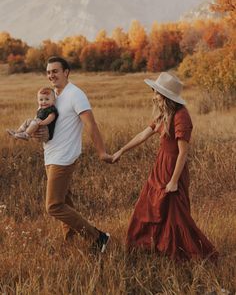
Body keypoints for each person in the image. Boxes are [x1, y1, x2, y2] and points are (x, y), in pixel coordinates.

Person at [112, 72, 218, 261]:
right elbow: (142, 135)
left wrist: (174, 181)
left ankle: (190, 254)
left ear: (167, 97)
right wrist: (121, 150)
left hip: (173, 170)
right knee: (149, 207)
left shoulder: (181, 116)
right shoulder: (164, 114)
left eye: (157, 93)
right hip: (160, 167)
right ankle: (149, 247)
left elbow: (183, 152)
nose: (154, 96)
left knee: (176, 216)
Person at [37, 56, 112, 253]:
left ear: (66, 72)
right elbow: (49, 126)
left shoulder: (75, 94)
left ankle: (98, 237)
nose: (51, 75)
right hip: (51, 154)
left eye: (55, 71)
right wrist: (41, 133)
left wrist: (102, 151)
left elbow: (90, 124)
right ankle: (69, 242)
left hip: (64, 157)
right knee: (64, 202)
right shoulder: (52, 96)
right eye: (48, 72)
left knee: (53, 205)